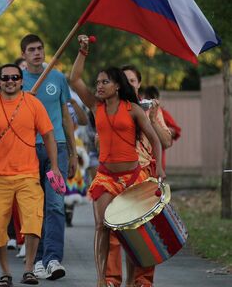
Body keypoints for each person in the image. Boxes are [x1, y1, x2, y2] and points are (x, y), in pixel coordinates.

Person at [69, 35, 165, 287]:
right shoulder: (95, 106)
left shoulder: (133, 109)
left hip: (134, 177)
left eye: (105, 81)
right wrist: (83, 51)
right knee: (102, 226)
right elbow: (74, 79)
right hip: (105, 177)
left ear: (118, 86)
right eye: (98, 81)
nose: (99, 85)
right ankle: (102, 279)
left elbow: (155, 140)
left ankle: (134, 280)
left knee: (132, 232)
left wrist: (161, 168)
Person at [0, 63, 61, 286]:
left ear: (21, 80)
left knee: (32, 222)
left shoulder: (33, 104)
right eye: (6, 78)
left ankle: (29, 269)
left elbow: (49, 136)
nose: (11, 81)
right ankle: (5, 272)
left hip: (28, 174)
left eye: (15, 77)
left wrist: (55, 167)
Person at [104, 65, 173, 287]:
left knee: (143, 231)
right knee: (113, 231)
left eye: (132, 81)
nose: (127, 84)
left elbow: (166, 142)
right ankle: (112, 280)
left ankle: (142, 281)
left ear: (139, 84)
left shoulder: (149, 108)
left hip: (143, 175)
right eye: (123, 80)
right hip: (115, 175)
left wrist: (152, 119)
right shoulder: (109, 107)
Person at [20, 34, 78, 280]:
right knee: (35, 207)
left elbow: (66, 117)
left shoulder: (57, 77)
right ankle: (38, 260)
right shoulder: (17, 80)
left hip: (58, 148)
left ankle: (53, 259)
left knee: (55, 204)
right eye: (31, 49)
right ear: (24, 54)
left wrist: (74, 153)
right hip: (28, 149)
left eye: (40, 48)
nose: (37, 53)